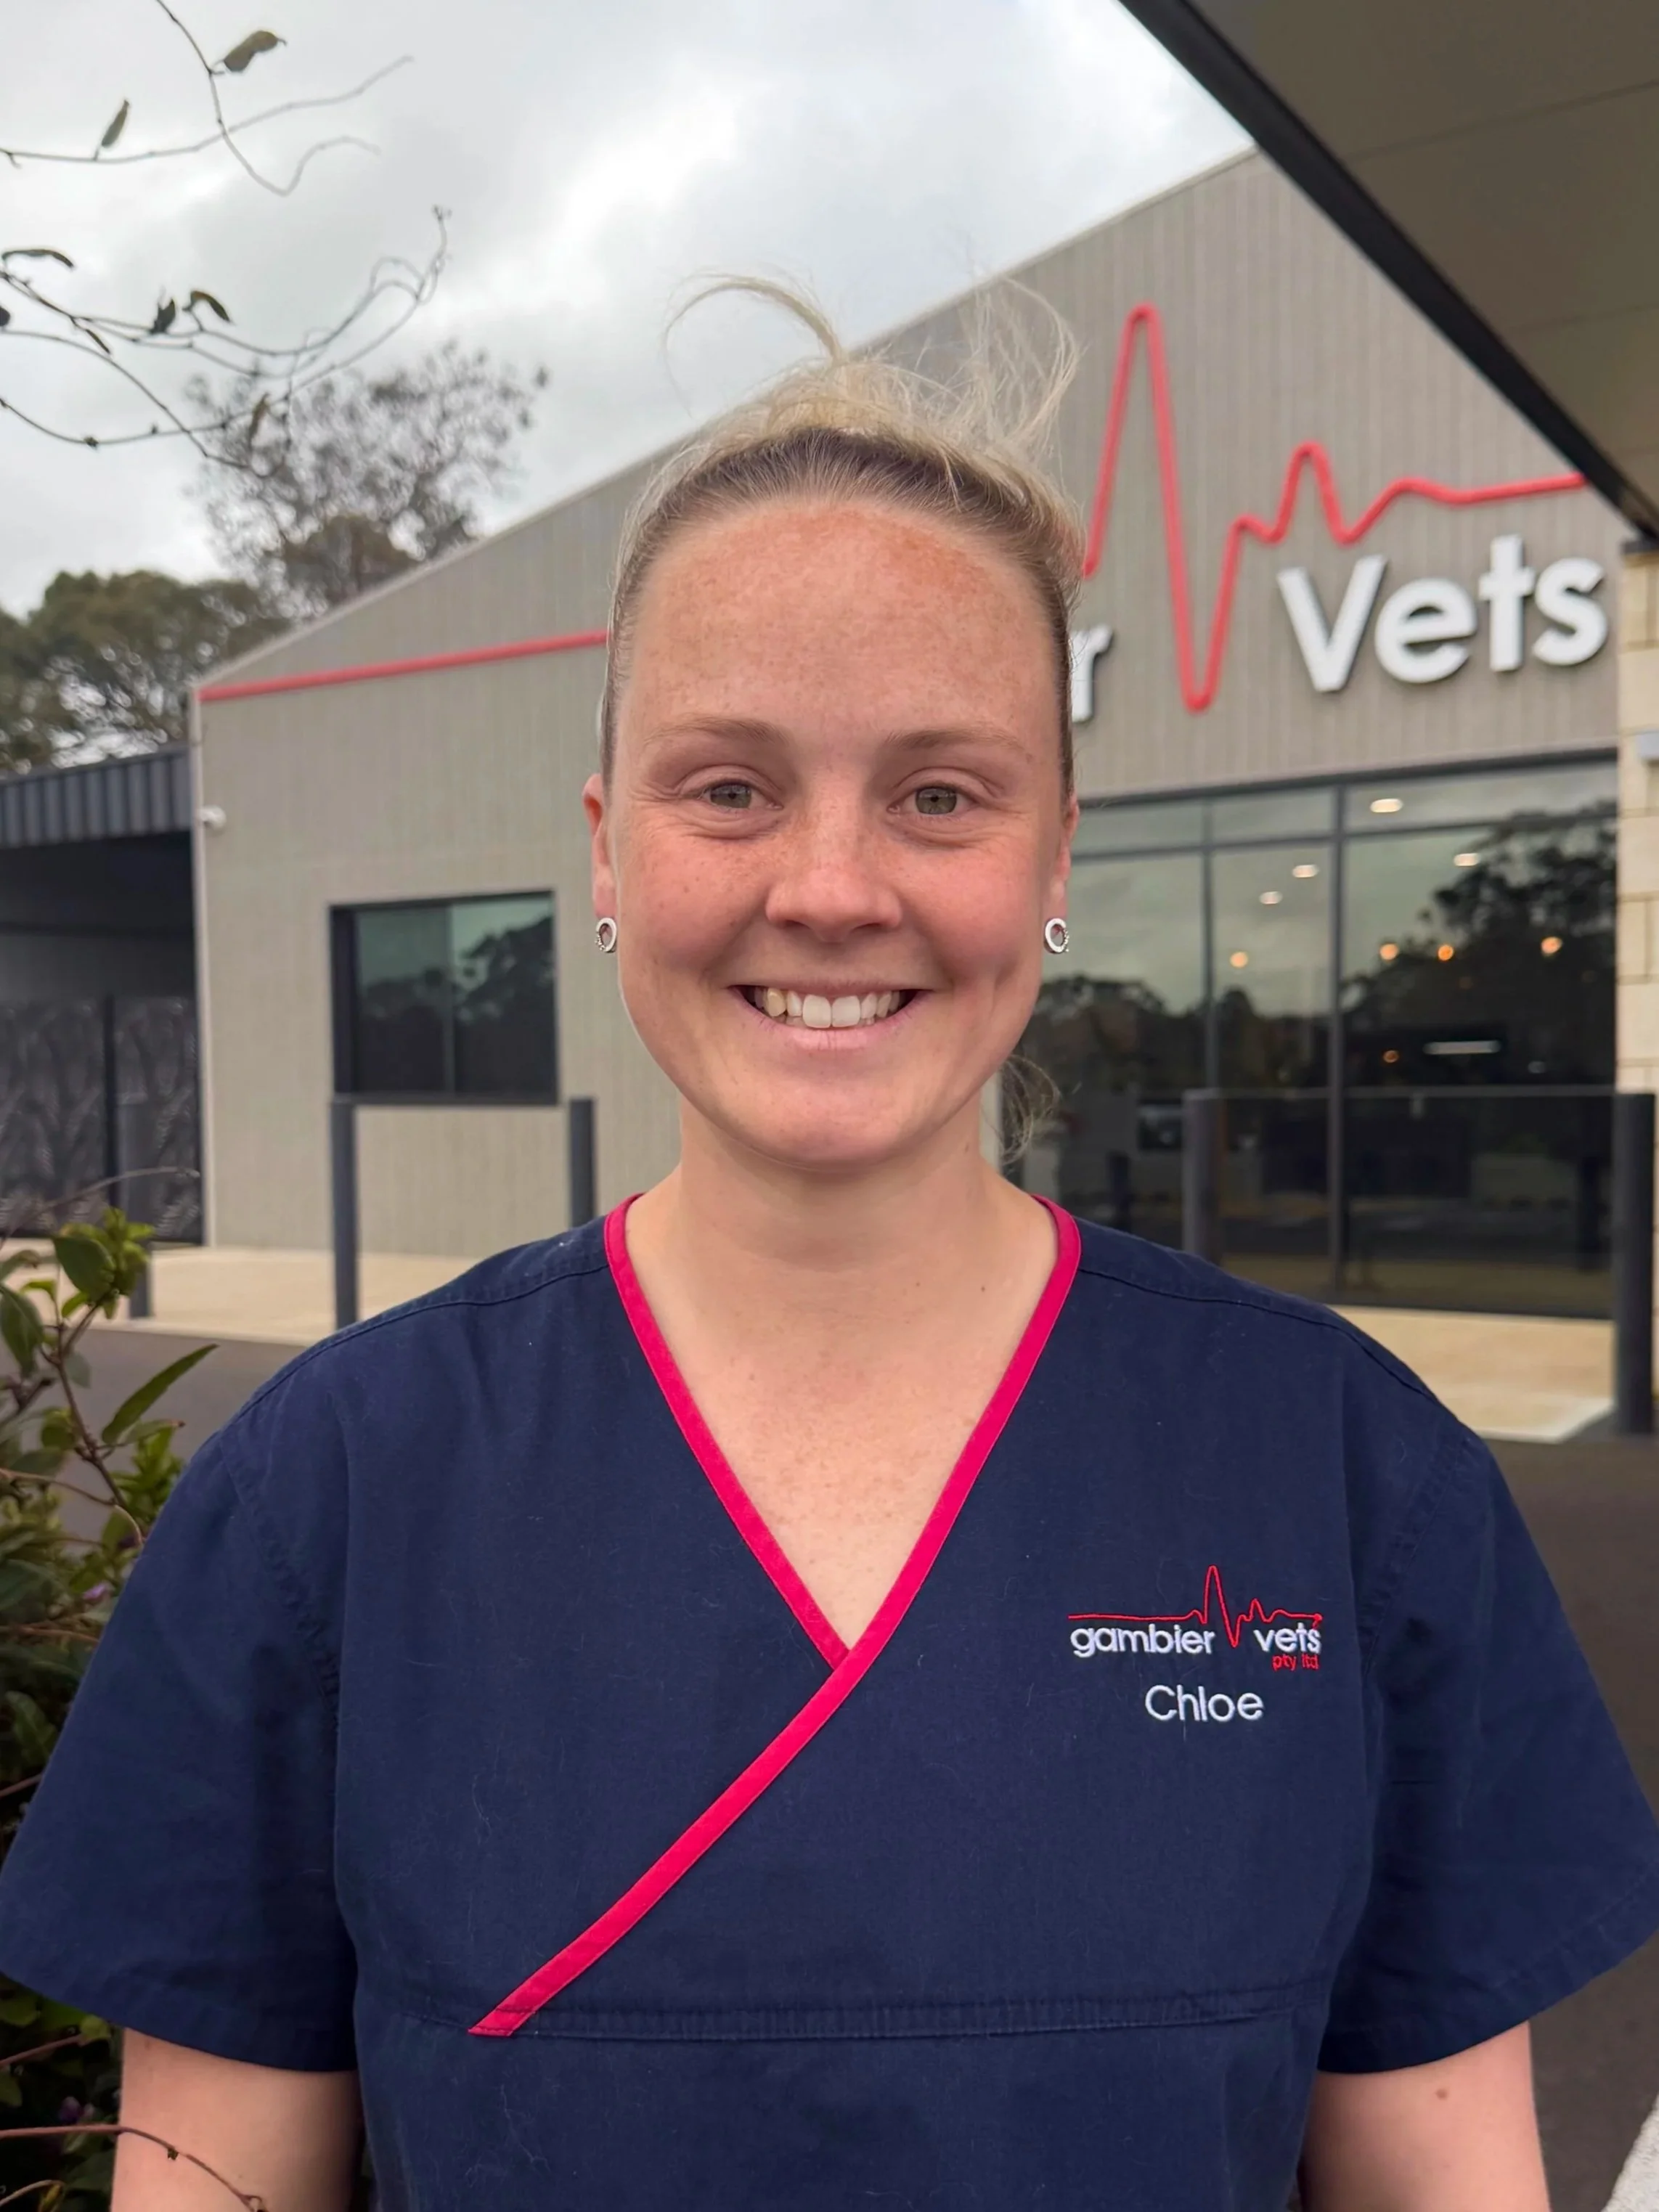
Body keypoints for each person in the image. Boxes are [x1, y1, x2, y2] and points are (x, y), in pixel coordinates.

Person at [1, 283, 1655, 2212]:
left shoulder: (1350, 1481)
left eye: (940, 794)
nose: (833, 886)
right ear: (607, 848)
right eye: (730, 787)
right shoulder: (333, 1494)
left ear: (1053, 857)